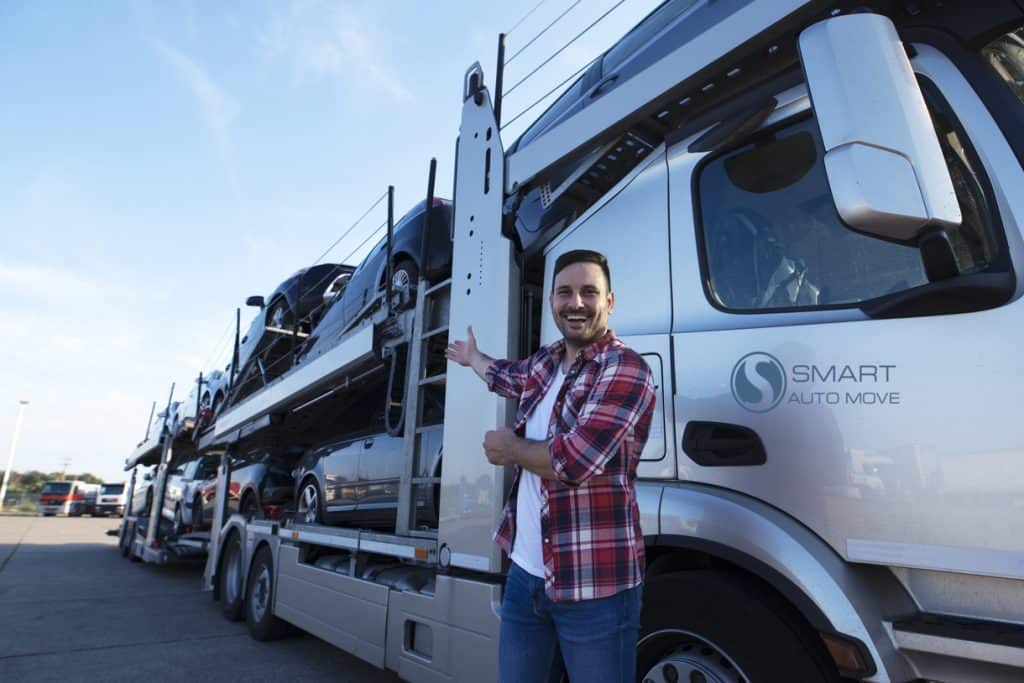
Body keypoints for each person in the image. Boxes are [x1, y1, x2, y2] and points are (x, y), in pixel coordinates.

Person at [446, 249, 656, 683]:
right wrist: (473, 358)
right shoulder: (545, 360)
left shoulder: (626, 368)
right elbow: (506, 375)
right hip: (526, 577)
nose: (575, 303)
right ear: (552, 302)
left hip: (595, 585)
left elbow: (576, 460)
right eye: (565, 292)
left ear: (609, 302)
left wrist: (511, 448)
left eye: (588, 292)